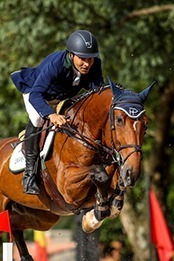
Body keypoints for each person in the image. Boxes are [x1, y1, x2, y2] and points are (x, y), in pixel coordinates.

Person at [11, 29, 104, 195]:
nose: (87, 64)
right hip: (37, 93)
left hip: (61, 97)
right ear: (71, 55)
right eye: (82, 59)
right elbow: (35, 95)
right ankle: (30, 173)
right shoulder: (56, 64)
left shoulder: (95, 64)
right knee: (38, 120)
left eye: (90, 59)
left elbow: (97, 91)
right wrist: (51, 115)